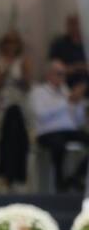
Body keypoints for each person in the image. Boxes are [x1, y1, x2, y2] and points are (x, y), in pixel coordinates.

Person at [29, 61, 89, 193]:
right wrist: (67, 101)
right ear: (49, 75)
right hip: (47, 132)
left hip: (70, 131)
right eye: (59, 74)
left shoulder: (66, 91)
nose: (63, 77)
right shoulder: (38, 91)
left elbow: (78, 121)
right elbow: (42, 115)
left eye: (64, 74)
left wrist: (77, 103)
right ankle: (60, 182)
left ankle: (75, 177)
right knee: (58, 144)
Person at [0, 30, 32, 187]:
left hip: (19, 103)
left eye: (14, 43)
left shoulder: (24, 61)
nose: (11, 46)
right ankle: (5, 174)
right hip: (3, 104)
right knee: (4, 140)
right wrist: (5, 71)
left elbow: (27, 84)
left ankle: (18, 174)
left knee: (18, 138)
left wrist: (19, 76)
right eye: (8, 42)